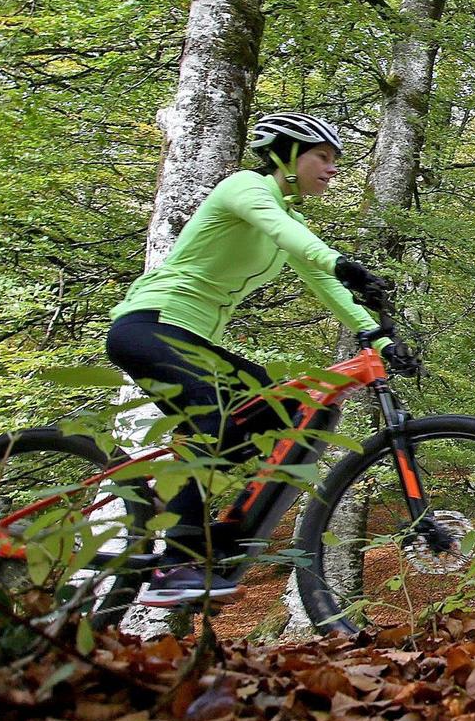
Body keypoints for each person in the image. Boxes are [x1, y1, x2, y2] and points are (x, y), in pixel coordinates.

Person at [106, 111, 416, 607]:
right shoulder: (245, 188)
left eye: (335, 160)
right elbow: (305, 248)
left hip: (194, 342)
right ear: (287, 156)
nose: (332, 169)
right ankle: (177, 560)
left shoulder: (289, 220)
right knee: (216, 413)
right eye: (323, 157)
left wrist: (379, 342)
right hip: (150, 325)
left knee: (290, 414)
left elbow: (324, 283)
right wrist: (341, 260)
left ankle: (220, 537)